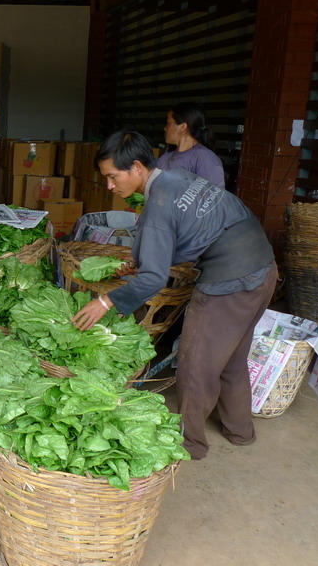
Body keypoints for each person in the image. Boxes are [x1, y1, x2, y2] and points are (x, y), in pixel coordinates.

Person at [71, 131, 277, 461]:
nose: (110, 186)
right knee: (233, 360)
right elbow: (185, 229)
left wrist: (105, 301)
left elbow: (153, 278)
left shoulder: (158, 205)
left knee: (194, 364)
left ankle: (188, 444)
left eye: (112, 177)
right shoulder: (178, 178)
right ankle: (240, 431)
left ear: (136, 167)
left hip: (229, 280)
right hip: (264, 268)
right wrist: (137, 262)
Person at [158, 102, 225, 188]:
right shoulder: (164, 158)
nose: (165, 128)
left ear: (183, 127)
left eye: (168, 123)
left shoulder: (205, 159)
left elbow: (214, 198)